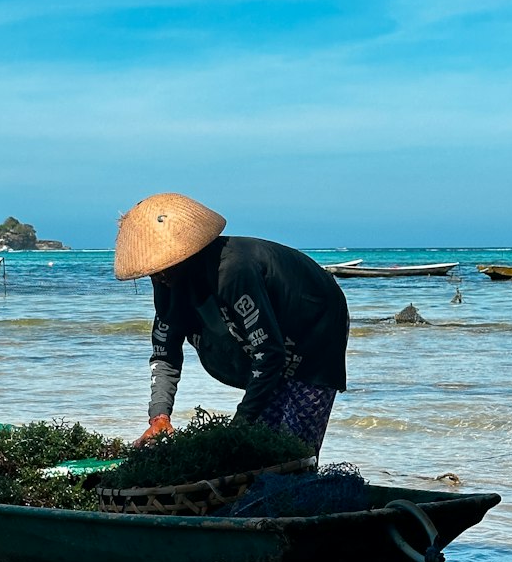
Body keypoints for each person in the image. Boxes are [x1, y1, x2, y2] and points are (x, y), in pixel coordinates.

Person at [114, 193, 349, 455]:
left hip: (315, 321)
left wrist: (237, 427)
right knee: (259, 441)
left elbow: (269, 355)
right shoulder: (169, 288)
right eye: (155, 273)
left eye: (165, 270)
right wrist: (159, 417)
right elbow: (164, 356)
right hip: (270, 340)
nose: (159, 277)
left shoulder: (234, 270)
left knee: (291, 448)